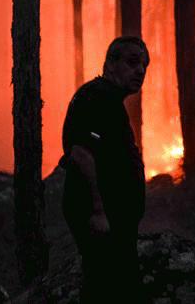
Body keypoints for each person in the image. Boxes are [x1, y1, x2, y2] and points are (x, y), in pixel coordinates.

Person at [59, 36, 150, 303]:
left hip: (114, 219)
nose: (140, 70)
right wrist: (98, 210)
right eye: (133, 62)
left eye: (144, 65)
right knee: (110, 289)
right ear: (110, 64)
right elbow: (81, 152)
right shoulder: (98, 97)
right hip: (104, 218)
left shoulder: (108, 100)